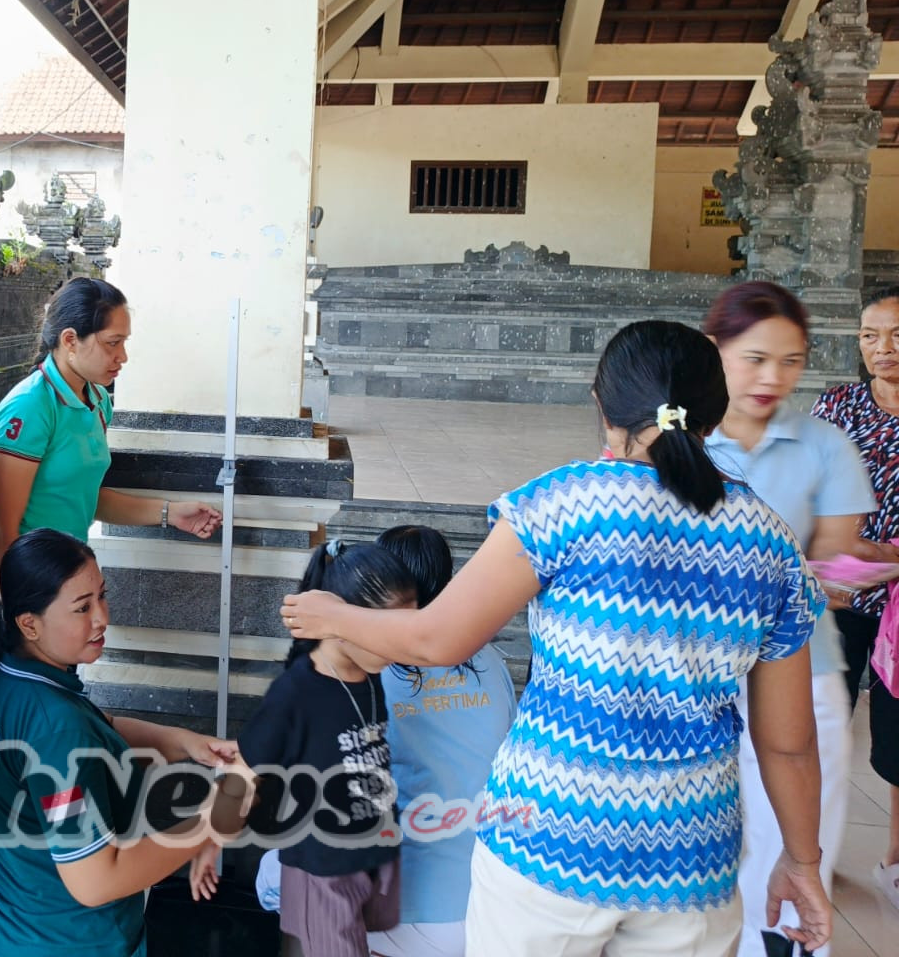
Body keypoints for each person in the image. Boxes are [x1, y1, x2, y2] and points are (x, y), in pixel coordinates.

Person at [282, 320, 833, 957]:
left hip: (547, 840)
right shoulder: (769, 540)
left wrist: (334, 616)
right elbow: (789, 745)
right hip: (690, 857)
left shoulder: (564, 505)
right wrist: (802, 861)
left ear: (603, 405)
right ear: (714, 412)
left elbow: (439, 639)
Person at [0, 527, 247, 957]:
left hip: (2, 930)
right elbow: (96, 881)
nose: (102, 618)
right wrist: (211, 822)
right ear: (29, 623)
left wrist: (178, 740)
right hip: (67, 943)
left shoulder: (6, 670)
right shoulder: (58, 729)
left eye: (102, 597)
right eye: (82, 608)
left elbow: (94, 724)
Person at [701, 281, 886, 955]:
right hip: (700, 679)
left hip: (805, 672)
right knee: (707, 853)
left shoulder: (824, 445)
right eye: (754, 358)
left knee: (795, 849)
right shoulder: (675, 442)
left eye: (791, 361)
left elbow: (837, 569)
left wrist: (856, 569)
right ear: (714, 351)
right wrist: (789, 575)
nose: (772, 377)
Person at [0, 278, 222, 610]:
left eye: (124, 342)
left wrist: (172, 513)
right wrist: (16, 609)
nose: (122, 356)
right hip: (8, 574)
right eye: (112, 343)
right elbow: (1, 525)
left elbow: (84, 497)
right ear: (70, 340)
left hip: (60, 572)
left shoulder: (97, 400)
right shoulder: (30, 406)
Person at [235, 539, 410, 957]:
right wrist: (207, 844)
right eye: (392, 629)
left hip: (372, 854)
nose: (403, 642)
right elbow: (245, 770)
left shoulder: (370, 677)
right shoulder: (297, 691)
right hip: (322, 869)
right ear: (341, 621)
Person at [372, 525, 517, 957]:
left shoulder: (374, 665)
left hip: (414, 909)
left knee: (284, 889)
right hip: (495, 901)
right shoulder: (491, 660)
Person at [814, 282, 899, 907]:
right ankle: (809, 853)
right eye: (871, 336)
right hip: (839, 598)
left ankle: (895, 861)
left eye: (897, 335)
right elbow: (805, 494)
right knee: (819, 728)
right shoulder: (839, 408)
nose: (884, 349)